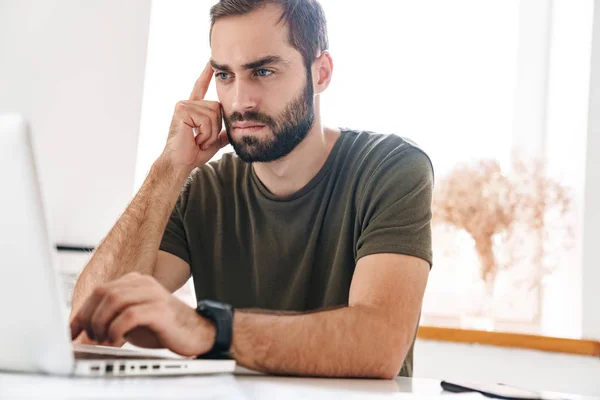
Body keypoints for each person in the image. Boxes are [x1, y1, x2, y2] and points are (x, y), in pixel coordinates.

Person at [70, 0, 433, 379]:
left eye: (263, 70)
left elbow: (379, 344)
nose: (240, 102)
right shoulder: (202, 190)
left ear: (321, 72)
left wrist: (209, 330)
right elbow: (90, 331)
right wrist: (167, 171)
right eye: (225, 76)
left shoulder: (391, 169)